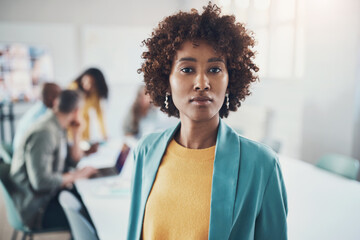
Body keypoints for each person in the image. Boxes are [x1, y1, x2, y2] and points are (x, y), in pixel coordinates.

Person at [127, 3, 288, 240]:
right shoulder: (145, 151)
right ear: (166, 78)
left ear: (230, 78)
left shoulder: (262, 165)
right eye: (187, 69)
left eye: (214, 69)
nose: (202, 83)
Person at [10, 90, 98, 230]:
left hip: (49, 196)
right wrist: (75, 176)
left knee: (91, 202)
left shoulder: (57, 126)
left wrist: (76, 134)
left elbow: (71, 162)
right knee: (92, 216)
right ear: (76, 112)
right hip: (38, 208)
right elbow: (41, 182)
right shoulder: (45, 132)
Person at [12, 82, 61, 151]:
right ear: (53, 99)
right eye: (60, 97)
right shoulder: (43, 116)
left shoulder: (39, 108)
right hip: (23, 153)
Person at [69, 67, 108, 141]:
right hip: (72, 126)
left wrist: (104, 135)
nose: (88, 85)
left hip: (85, 128)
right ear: (82, 78)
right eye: (87, 81)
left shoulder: (95, 94)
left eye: (92, 84)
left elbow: (100, 115)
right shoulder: (73, 88)